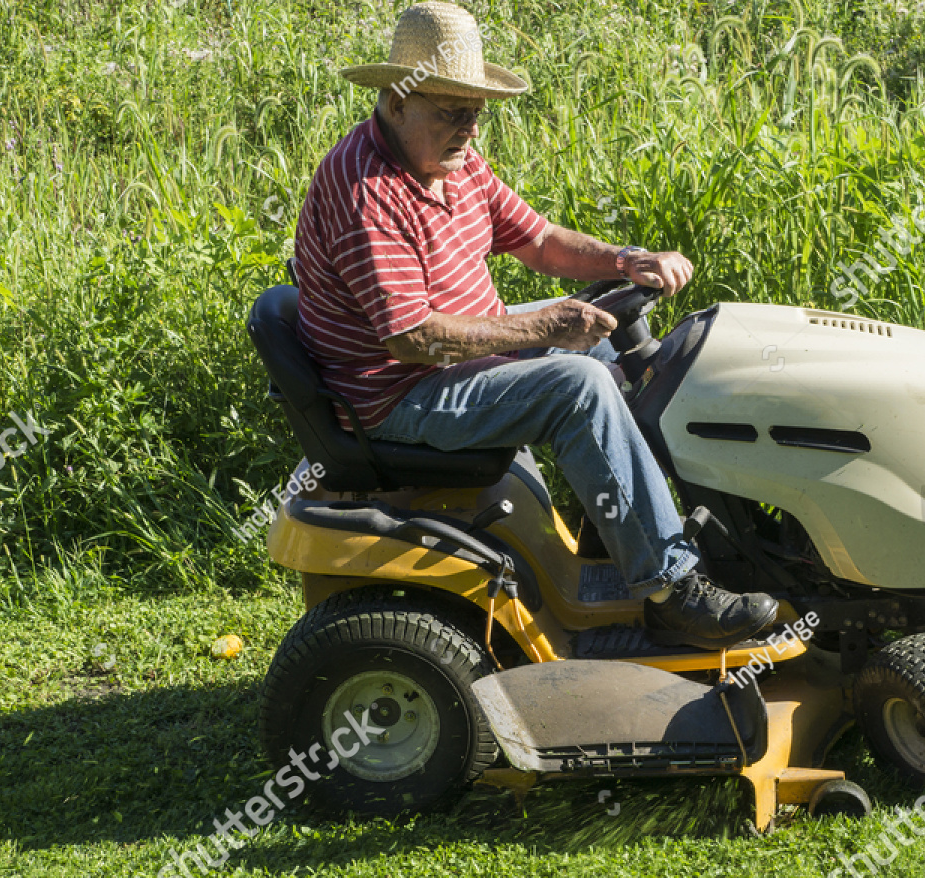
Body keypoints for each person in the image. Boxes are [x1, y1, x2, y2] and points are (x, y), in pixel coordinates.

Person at [291, 1, 776, 650]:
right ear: (397, 100)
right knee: (578, 386)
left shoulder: (454, 162)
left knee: (605, 336)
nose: (468, 128)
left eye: (475, 111)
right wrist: (545, 326)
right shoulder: (365, 189)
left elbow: (538, 239)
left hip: (447, 354)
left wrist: (625, 261)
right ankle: (672, 590)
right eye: (451, 111)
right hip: (400, 392)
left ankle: (620, 527)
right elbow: (411, 337)